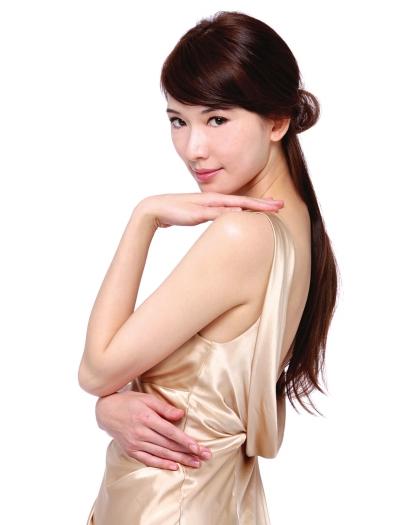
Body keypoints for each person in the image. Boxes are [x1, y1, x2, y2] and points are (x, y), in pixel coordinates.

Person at [78, 10, 339, 524]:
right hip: (213, 497)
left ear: (277, 121)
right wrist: (115, 403)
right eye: (178, 121)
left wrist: (144, 218)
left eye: (217, 119)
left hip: (169, 500)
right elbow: (205, 390)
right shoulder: (296, 225)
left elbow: (96, 369)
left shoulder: (242, 236)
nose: (193, 149)